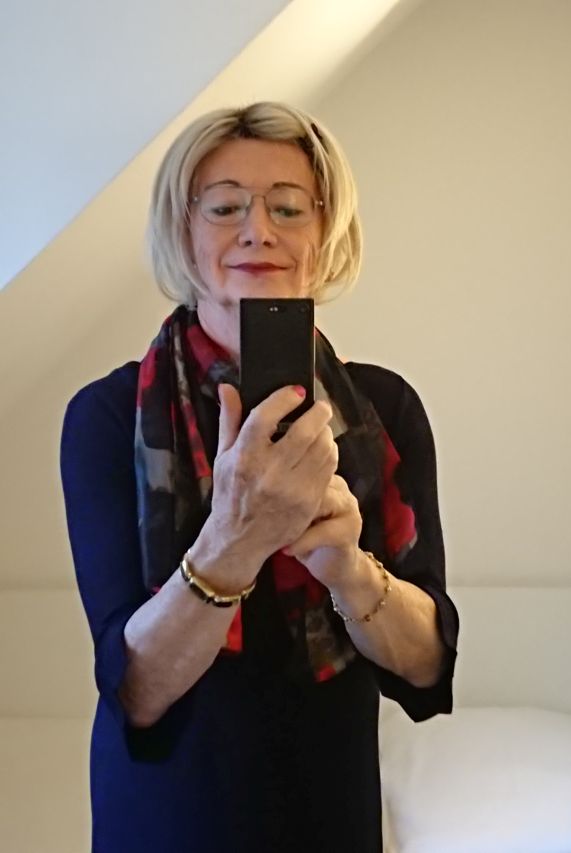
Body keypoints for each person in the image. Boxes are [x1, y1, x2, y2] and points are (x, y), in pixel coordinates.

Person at [60, 101, 459, 853]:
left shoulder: (385, 410)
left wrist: (348, 567)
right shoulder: (107, 418)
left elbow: (428, 660)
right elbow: (136, 690)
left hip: (329, 810)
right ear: (183, 230)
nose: (258, 230)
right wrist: (236, 540)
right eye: (225, 207)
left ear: (323, 229)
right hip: (164, 818)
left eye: (287, 207)